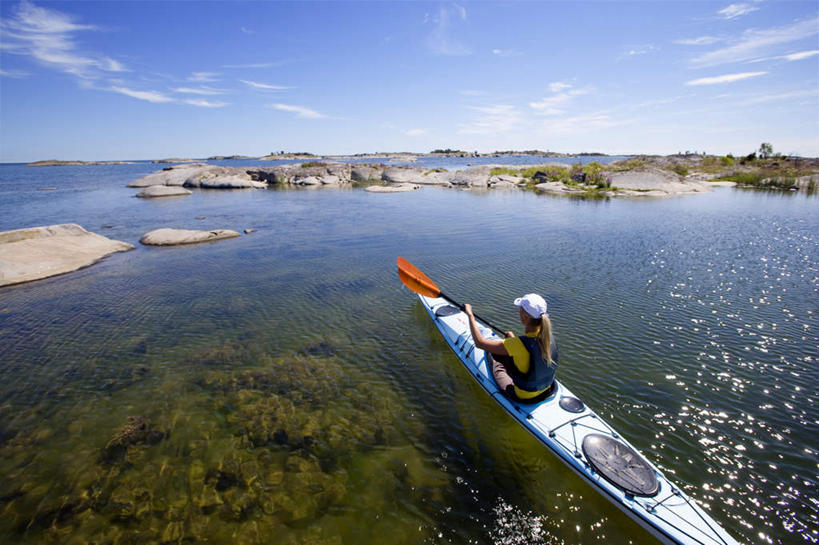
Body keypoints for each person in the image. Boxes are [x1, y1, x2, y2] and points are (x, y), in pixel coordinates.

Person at [464, 293, 558, 402]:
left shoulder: (517, 344)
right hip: (546, 389)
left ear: (525, 317)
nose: (518, 313)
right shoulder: (548, 337)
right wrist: (513, 339)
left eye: (520, 311)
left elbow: (479, 343)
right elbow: (530, 348)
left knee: (495, 361)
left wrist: (470, 315)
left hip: (523, 396)